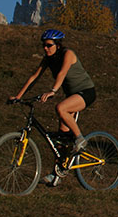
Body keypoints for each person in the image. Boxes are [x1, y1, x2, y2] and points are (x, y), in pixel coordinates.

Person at [9, 29, 96, 186]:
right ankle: (56, 175)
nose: (45, 48)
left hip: (86, 92)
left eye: (49, 45)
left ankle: (80, 139)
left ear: (57, 45)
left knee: (60, 108)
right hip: (72, 96)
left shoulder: (68, 54)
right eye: (44, 45)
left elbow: (62, 74)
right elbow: (34, 77)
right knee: (61, 142)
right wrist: (18, 97)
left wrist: (53, 91)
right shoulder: (48, 59)